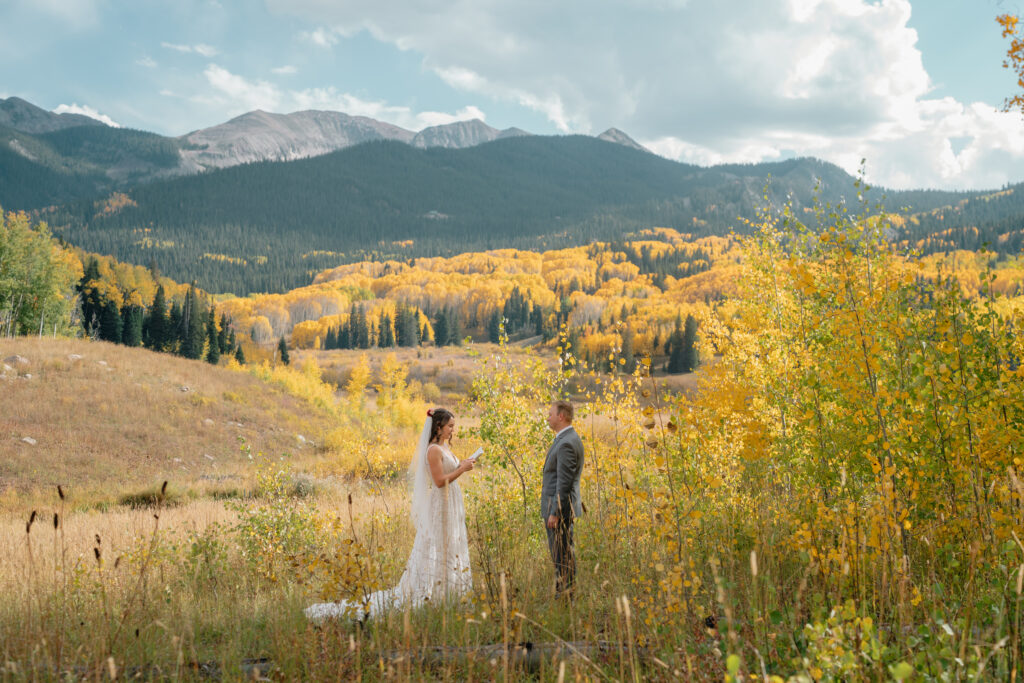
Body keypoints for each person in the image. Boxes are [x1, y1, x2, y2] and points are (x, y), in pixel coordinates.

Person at [305, 408, 475, 621]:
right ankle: (434, 592)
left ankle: (451, 592)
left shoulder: (444, 448)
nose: (453, 430)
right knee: (439, 546)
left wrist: (461, 464)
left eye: (453, 426)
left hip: (452, 503)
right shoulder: (433, 450)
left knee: (450, 545)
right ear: (438, 427)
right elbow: (439, 482)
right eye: (450, 426)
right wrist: (463, 469)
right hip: (442, 505)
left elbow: (448, 472)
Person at [540, 399, 584, 597]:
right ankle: (565, 594)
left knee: (562, 555)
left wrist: (555, 512)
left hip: (559, 510)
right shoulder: (566, 438)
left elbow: (563, 482)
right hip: (560, 507)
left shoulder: (566, 443)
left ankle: (566, 597)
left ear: (561, 416)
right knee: (563, 553)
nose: (547, 417)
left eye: (550, 414)